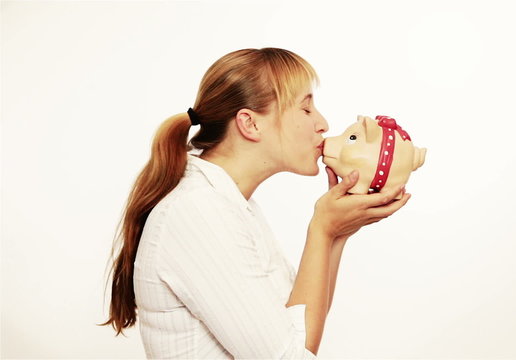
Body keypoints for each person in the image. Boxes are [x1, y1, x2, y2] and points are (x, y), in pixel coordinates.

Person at [100, 47, 411, 359]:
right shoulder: (198, 212)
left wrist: (339, 234)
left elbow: (297, 326)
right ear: (250, 124)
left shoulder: (231, 204)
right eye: (306, 109)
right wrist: (323, 230)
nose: (323, 124)